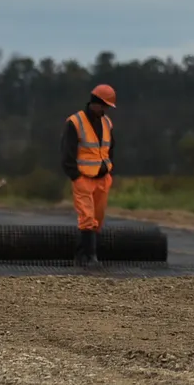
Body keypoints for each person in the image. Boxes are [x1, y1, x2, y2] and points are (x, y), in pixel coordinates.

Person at [62, 83, 117, 267]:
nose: (106, 110)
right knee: (87, 218)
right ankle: (91, 258)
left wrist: (109, 170)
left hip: (103, 179)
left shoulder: (107, 122)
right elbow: (67, 152)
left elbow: (110, 148)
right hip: (83, 179)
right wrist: (75, 176)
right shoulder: (75, 122)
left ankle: (80, 257)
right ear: (96, 103)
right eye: (105, 106)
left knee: (98, 219)